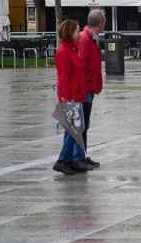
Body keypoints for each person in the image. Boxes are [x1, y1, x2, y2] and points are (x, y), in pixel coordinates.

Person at [53, 19, 89, 175]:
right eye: (77, 31)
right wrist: (67, 98)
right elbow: (64, 78)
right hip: (70, 97)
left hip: (76, 95)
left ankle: (67, 160)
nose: (79, 34)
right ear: (70, 33)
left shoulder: (73, 50)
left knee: (73, 131)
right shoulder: (63, 52)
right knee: (74, 131)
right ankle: (62, 160)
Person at [78, 9, 106, 169]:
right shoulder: (85, 39)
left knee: (85, 125)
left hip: (90, 88)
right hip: (84, 90)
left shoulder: (91, 38)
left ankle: (83, 155)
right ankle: (79, 157)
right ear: (101, 23)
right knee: (81, 126)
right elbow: (81, 66)